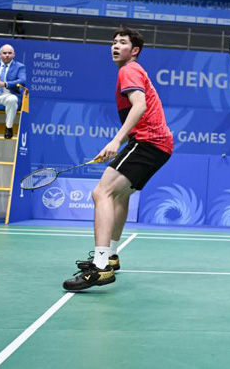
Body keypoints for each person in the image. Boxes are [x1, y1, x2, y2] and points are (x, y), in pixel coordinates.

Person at [64, 27, 173, 291]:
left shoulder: (129, 70)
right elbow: (142, 115)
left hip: (148, 143)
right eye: (113, 42)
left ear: (134, 50)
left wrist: (115, 141)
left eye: (122, 42)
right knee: (120, 196)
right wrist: (118, 145)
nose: (115, 46)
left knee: (101, 193)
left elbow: (140, 106)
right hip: (156, 144)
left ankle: (101, 267)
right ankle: (111, 255)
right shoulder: (133, 70)